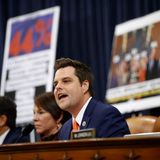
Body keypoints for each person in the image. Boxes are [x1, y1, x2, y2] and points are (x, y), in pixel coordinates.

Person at [53, 58, 130, 140]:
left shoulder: (107, 116)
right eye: (55, 84)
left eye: (66, 81)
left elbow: (119, 152)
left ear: (84, 86)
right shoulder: (64, 129)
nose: (58, 87)